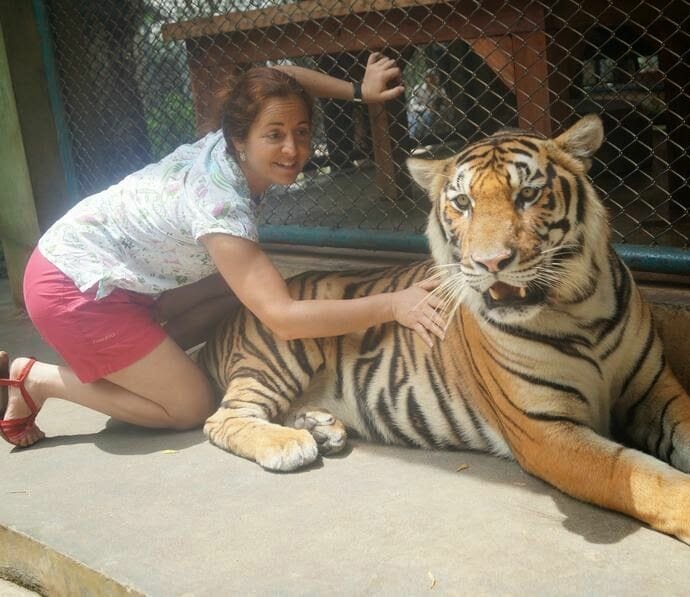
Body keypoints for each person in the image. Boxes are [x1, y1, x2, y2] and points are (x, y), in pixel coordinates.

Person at [0, 53, 447, 448]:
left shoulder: (234, 131)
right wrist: (393, 305)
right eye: (274, 135)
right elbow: (284, 319)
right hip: (70, 290)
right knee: (190, 405)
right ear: (240, 138)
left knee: (249, 289)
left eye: (302, 131)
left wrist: (358, 91)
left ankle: (144, 357)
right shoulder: (222, 204)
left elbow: (279, 77)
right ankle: (39, 380)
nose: (293, 149)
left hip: (110, 271)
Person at [406, 69, 452, 143]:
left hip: (436, 111)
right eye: (428, 77)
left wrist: (442, 102)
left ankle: (442, 136)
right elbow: (412, 106)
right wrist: (426, 108)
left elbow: (446, 102)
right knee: (424, 115)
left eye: (433, 77)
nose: (430, 79)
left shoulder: (439, 89)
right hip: (419, 111)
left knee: (442, 111)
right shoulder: (418, 89)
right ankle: (417, 140)